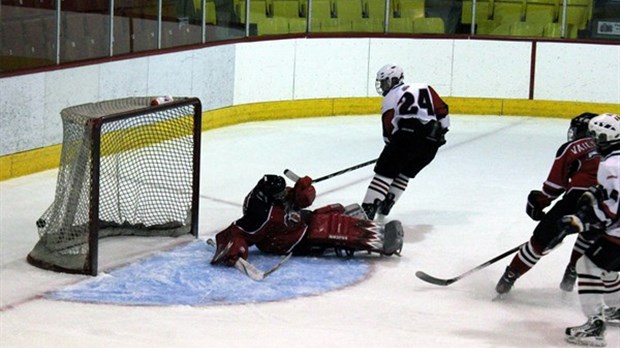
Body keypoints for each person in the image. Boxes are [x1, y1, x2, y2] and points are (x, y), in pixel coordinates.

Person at [495, 112, 601, 295]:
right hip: (610, 201)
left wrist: (540, 201)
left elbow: (555, 185)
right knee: (590, 235)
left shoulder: (572, 147)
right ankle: (573, 271)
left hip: (576, 199)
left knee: (539, 242)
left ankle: (508, 278)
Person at [210, 174, 404, 267]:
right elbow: (236, 232)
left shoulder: (268, 195)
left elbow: (300, 201)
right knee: (326, 230)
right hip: (286, 241)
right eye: (279, 193)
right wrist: (236, 248)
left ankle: (373, 231)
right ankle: (378, 242)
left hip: (296, 224)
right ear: (268, 195)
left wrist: (302, 190)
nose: (283, 195)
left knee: (333, 211)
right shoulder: (258, 215)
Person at [361, 64, 450, 222]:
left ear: (395, 80)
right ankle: (387, 204)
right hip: (431, 143)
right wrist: (440, 134)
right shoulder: (425, 87)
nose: (383, 86)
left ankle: (366, 213)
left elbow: (388, 127)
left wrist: (391, 149)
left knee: (384, 173)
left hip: (406, 137)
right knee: (405, 173)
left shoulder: (392, 95)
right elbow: (443, 112)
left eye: (385, 82)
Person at [560, 113, 620, 347]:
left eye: (596, 137)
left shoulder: (611, 165)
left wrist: (583, 220)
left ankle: (595, 325)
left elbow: (614, 207)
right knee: (607, 266)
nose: (593, 142)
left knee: (588, 264)